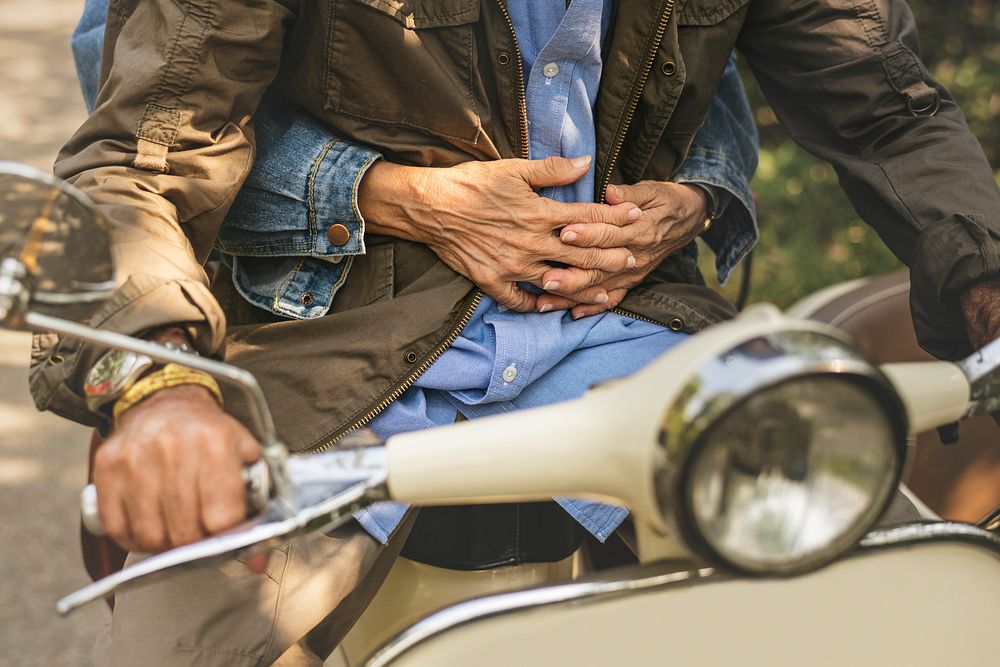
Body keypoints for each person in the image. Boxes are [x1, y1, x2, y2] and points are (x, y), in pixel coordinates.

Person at [31, 0, 1000, 665]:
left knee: (904, 606)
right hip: (329, 353)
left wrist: (986, 280)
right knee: (189, 628)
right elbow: (146, 150)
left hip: (635, 347)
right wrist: (159, 391)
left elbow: (886, 107)